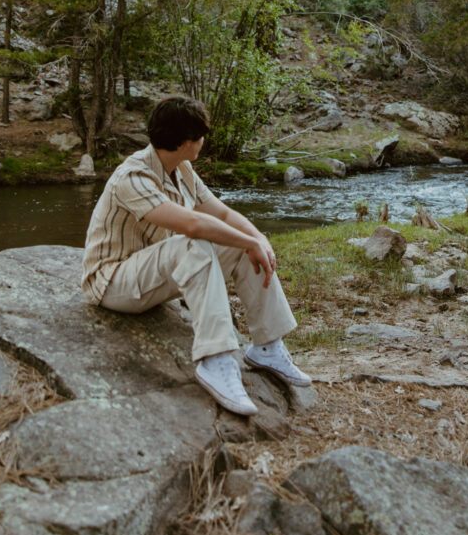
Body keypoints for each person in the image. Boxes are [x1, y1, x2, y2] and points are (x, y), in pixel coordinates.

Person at [81, 95, 311, 416]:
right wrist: (249, 239)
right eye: (201, 136)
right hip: (112, 282)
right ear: (187, 142)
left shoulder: (182, 169)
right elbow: (192, 223)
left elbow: (224, 215)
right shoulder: (132, 178)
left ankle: (267, 346)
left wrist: (256, 239)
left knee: (238, 242)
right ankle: (214, 359)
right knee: (197, 240)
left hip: (152, 275)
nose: (203, 141)